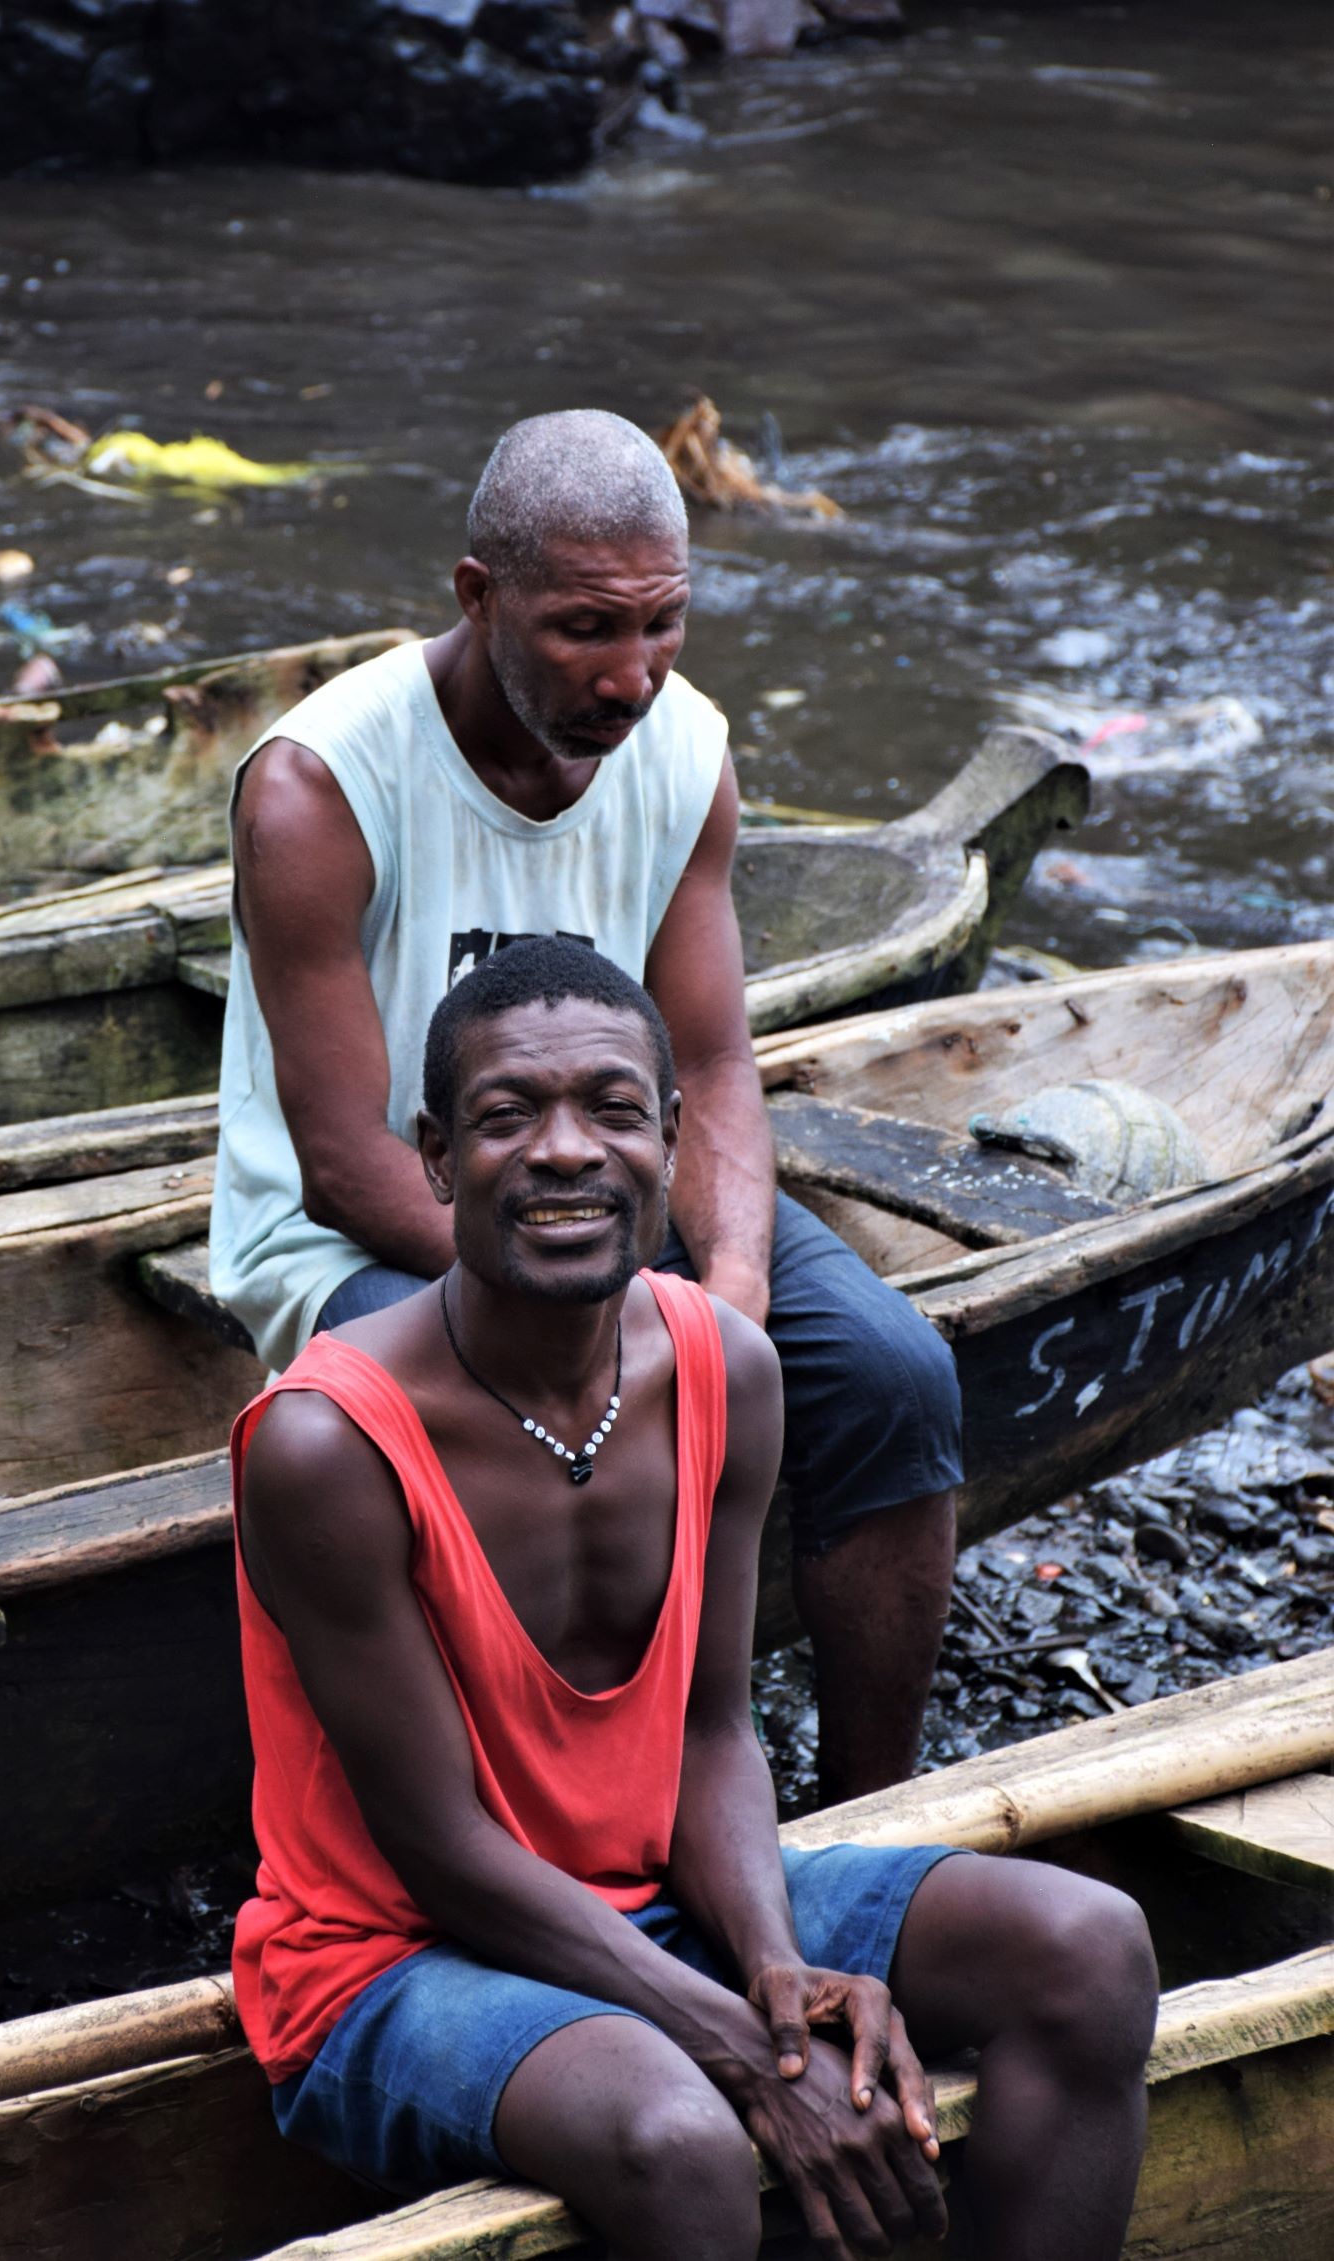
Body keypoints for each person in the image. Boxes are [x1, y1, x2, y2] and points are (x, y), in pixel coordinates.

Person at [231, 938, 1159, 2261]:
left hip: (655, 1903)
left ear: (670, 1142)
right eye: (508, 1116)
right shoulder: (328, 1444)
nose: (564, 1151)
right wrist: (739, 2046)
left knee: (1091, 1947)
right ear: (435, 1158)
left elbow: (712, 1734)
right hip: (392, 1957)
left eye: (612, 1110)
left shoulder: (726, 1364)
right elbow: (437, 1845)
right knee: (680, 2137)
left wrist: (773, 1965)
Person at [212, 405, 959, 1801]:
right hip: (389, 1231)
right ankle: (542, 1825)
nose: (633, 678)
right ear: (478, 597)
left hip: (619, 1205)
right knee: (492, 1428)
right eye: (586, 631)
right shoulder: (323, 789)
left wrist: (725, 1284)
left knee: (892, 1373)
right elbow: (337, 1161)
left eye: (663, 626)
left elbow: (715, 1060)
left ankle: (874, 1810)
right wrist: (616, 1323)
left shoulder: (683, 749)